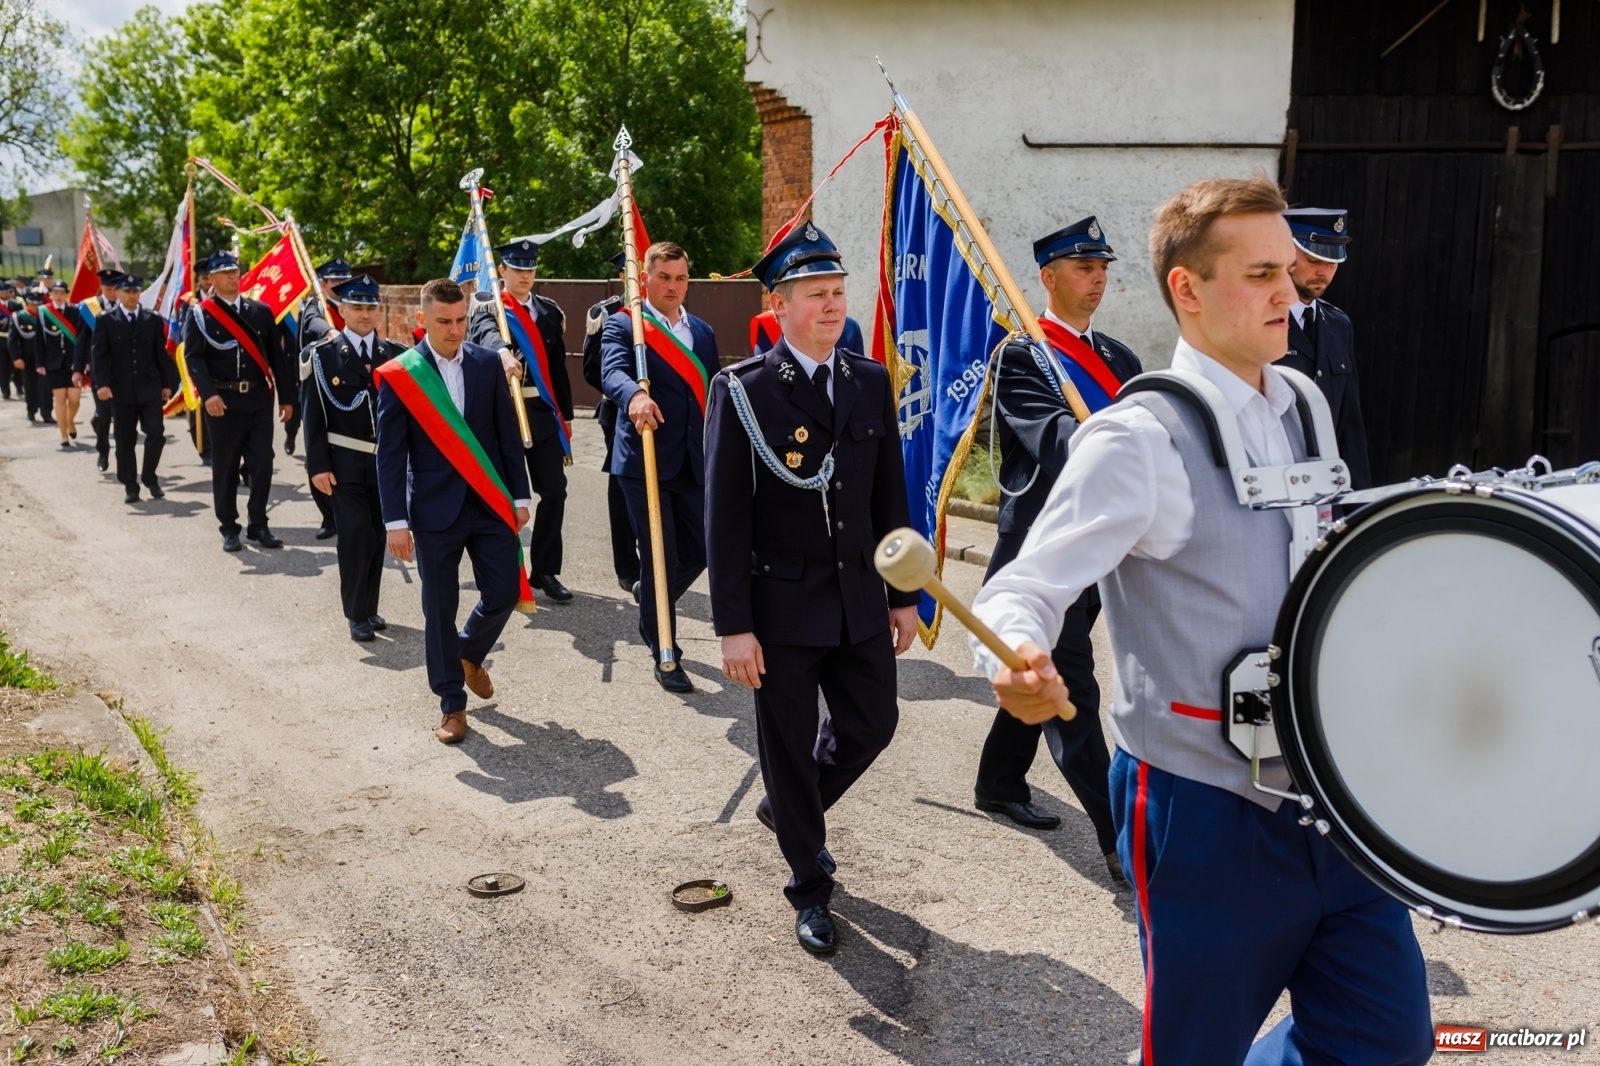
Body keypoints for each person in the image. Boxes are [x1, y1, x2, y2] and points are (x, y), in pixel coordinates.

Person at [974, 177, 1432, 1066]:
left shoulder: (1303, 403)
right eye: (1261, 273)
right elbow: (1023, 584)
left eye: (1289, 273)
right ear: (1187, 289)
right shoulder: (1136, 439)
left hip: (1336, 792)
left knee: (1388, 1038)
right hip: (1203, 809)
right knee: (1193, 1050)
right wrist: (1015, 656)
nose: (1289, 292)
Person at [706, 223, 918, 955]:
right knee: (789, 748)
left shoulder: (868, 380)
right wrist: (733, 625)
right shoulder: (743, 391)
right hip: (782, 608)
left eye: (838, 292)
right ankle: (809, 886)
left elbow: (891, 496)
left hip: (861, 598)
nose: (832, 305)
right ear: (780, 304)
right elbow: (724, 519)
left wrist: (903, 593)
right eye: (816, 295)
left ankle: (789, 811)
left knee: (873, 725)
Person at [970, 216, 1141, 885]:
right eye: (1082, 268)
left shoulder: (1121, 359)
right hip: (1041, 552)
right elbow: (1058, 441)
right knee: (1072, 688)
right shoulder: (1024, 355)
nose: (1097, 279)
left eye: (1102, 268)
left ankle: (998, 782)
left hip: (1099, 550)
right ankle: (1120, 838)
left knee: (1036, 676)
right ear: (1048, 277)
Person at [376, 278, 532, 743]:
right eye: (444, 321)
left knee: (504, 591)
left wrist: (520, 497)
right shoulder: (402, 374)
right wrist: (395, 522)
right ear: (423, 320)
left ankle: (467, 653)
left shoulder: (486, 365)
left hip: (488, 504)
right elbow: (390, 454)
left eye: (461, 319)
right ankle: (452, 705)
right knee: (439, 609)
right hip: (432, 510)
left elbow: (506, 436)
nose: (455, 329)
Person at [599, 241, 718, 693]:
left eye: (681, 277)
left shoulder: (702, 333)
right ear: (644, 277)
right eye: (664, 277)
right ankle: (665, 652)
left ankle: (652, 605)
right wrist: (635, 395)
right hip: (643, 461)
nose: (673, 286)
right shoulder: (625, 326)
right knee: (660, 555)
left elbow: (713, 394)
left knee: (702, 551)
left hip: (693, 460)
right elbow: (611, 372)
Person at [471, 238, 576, 603]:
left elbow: (558, 370)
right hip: (504, 417)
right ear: (503, 271)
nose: (525, 275)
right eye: (518, 269)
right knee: (506, 498)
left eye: (530, 269)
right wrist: (501, 352)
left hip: (543, 416)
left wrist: (566, 414)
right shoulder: (489, 308)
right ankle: (502, 572)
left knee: (555, 491)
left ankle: (545, 570)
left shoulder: (548, 312)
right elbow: (484, 336)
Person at [301, 274, 403, 642]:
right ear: (341, 310)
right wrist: (317, 465)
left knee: (377, 536)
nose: (364, 313)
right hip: (343, 464)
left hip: (385, 467)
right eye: (356, 307)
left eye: (369, 306)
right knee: (355, 535)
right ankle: (356, 613)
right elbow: (311, 415)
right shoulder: (324, 356)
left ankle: (370, 607)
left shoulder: (394, 355)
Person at [182, 250, 295, 552]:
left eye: (235, 270)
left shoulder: (260, 312)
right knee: (226, 465)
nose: (232, 276)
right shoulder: (201, 314)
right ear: (213, 278)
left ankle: (258, 524)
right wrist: (208, 394)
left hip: (258, 397)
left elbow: (277, 358)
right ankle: (229, 527)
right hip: (223, 401)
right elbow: (193, 357)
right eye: (225, 272)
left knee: (263, 462)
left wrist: (286, 398)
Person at [1276, 207, 1371, 489]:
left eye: (1332, 262)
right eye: (1313, 258)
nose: (1324, 271)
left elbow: (1349, 426)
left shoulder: (1338, 324)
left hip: (1326, 487)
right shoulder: (1259, 320)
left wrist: (1357, 504)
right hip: (1278, 484)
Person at [581, 253, 639, 600]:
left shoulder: (663, 314)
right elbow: (592, 368)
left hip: (660, 411)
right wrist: (625, 394)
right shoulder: (607, 312)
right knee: (622, 486)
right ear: (622, 274)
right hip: (617, 412)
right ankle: (627, 567)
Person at [90, 275, 177, 503]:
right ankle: (130, 484)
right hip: (121, 390)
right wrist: (102, 384)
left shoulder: (152, 319)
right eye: (127, 291)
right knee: (125, 440)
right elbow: (99, 355)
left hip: (149, 387)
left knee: (156, 433)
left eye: (135, 291)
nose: (132, 296)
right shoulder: (105, 320)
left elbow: (161, 354)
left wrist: (166, 384)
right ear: (117, 293)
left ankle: (149, 476)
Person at [291, 257, 353, 536]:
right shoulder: (316, 307)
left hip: (349, 391)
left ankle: (344, 510)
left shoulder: (351, 307)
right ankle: (328, 516)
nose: (341, 285)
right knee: (318, 448)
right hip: (319, 389)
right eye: (336, 281)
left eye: (345, 280)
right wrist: (331, 332)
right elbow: (314, 323)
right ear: (324, 283)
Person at [72, 268, 128, 471]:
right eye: (108, 288)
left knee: (122, 417)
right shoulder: (89, 309)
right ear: (101, 288)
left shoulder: (127, 306)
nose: (113, 292)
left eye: (115, 288)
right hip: (100, 371)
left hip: (124, 372)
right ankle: (103, 452)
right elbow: (81, 341)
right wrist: (78, 369)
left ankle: (124, 459)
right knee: (104, 416)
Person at [36, 279, 87, 449]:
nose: (58, 296)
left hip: (73, 363)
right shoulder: (44, 312)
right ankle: (63, 435)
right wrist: (40, 363)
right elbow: (39, 340)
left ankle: (70, 421)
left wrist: (83, 362)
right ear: (50, 295)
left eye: (61, 293)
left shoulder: (75, 312)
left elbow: (81, 339)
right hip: (53, 363)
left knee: (74, 399)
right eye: (55, 293)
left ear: (67, 294)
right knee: (60, 399)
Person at [6, 286, 44, 423]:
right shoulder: (19, 317)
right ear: (27, 303)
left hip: (45, 357)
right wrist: (16, 358)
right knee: (30, 385)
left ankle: (47, 413)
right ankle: (31, 410)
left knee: (45, 387)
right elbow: (12, 340)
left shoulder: (46, 316)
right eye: (33, 303)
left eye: (38, 303)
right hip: (27, 358)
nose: (35, 306)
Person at [0, 278, 18, 401]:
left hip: (14, 341)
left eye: (7, 291)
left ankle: (20, 387)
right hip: (0, 340)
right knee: (2, 368)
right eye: (2, 291)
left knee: (15, 366)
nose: (4, 293)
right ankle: (5, 390)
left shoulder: (16, 305)